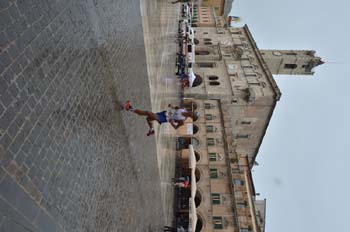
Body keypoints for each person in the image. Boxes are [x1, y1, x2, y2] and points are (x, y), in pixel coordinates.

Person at [124, 101, 199, 136]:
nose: (192, 112)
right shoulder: (184, 109)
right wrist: (171, 106)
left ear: (191, 117)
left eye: (193, 114)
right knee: (148, 119)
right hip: (164, 113)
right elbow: (177, 108)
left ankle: (130, 108)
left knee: (147, 112)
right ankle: (151, 130)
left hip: (164, 118)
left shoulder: (182, 121)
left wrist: (171, 122)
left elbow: (176, 128)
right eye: (193, 112)